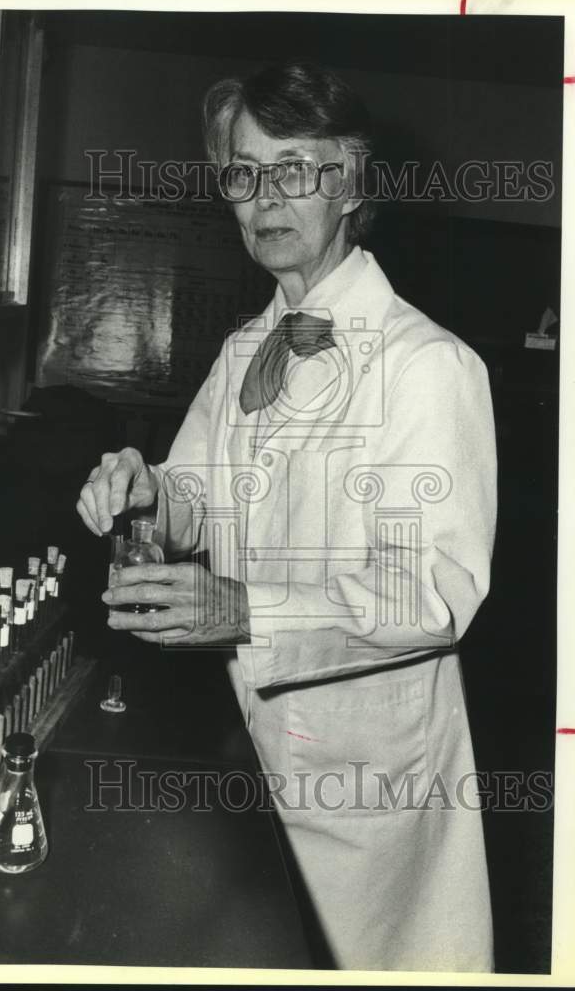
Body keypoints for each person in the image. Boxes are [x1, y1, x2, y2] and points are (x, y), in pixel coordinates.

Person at [76, 60, 497, 973]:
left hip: (364, 782)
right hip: (249, 747)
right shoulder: (244, 350)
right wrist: (148, 488)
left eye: (294, 167)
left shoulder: (430, 366)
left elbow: (432, 591)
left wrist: (244, 611)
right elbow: (198, 490)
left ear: (350, 181)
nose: (263, 195)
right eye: (242, 171)